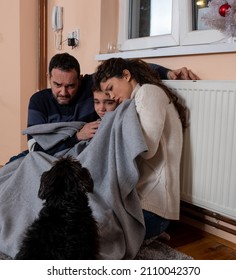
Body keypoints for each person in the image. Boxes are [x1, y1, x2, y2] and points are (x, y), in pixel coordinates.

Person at [6, 53, 198, 163]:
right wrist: (76, 136)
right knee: (12, 166)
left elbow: (128, 67)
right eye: (57, 85)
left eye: (71, 86)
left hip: (81, 157)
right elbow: (36, 148)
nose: (63, 92)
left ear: (80, 80)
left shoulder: (94, 84)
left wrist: (168, 72)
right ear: (49, 78)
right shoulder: (39, 101)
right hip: (48, 155)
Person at [93, 57, 186, 240]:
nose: (111, 97)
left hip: (153, 210)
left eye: (110, 88)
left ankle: (151, 234)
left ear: (126, 75)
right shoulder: (136, 98)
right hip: (139, 203)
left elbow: (147, 148)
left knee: (92, 235)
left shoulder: (148, 92)